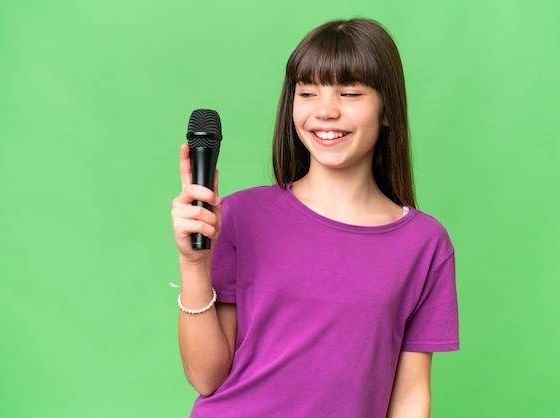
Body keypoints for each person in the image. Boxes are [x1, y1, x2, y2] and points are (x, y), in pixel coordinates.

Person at [171, 18, 459, 417]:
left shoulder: (425, 245)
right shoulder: (239, 216)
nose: (325, 111)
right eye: (307, 92)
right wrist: (194, 264)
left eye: (350, 93)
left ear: (388, 109)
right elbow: (206, 377)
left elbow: (410, 397)